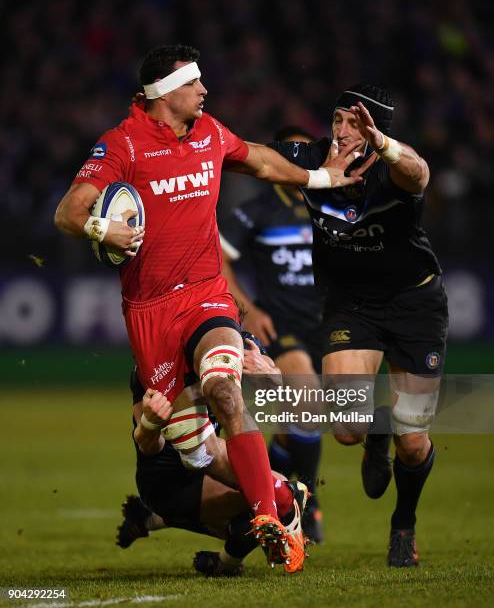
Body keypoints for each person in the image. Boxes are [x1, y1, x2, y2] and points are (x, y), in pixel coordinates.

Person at [53, 44, 365, 570]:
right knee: (197, 450)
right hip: (151, 312)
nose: (204, 91)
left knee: (223, 387)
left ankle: (272, 520)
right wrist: (101, 227)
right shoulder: (122, 144)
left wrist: (322, 177)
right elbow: (68, 211)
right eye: (193, 83)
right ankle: (287, 497)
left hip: (206, 295)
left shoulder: (211, 133)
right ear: (163, 93)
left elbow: (262, 159)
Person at [269, 84, 448, 567]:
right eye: (339, 118)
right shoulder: (309, 157)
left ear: (375, 133)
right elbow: (255, 157)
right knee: (346, 429)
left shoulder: (393, 173)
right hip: (352, 306)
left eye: (356, 122)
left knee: (414, 443)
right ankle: (375, 432)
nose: (341, 129)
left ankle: (403, 523)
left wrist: (387, 147)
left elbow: (420, 172)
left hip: (415, 305)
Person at [117, 334, 308, 576]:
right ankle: (220, 561)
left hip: (209, 467)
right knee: (277, 495)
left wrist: (274, 378)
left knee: (251, 517)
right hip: (170, 482)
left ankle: (153, 522)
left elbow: (282, 398)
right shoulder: (159, 366)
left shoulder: (238, 343)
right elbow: (148, 446)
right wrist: (149, 423)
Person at [219, 126, 325, 543]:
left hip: (330, 327)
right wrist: (250, 309)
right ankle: (310, 503)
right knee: (310, 404)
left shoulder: (330, 207)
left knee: (294, 428)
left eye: (307, 152)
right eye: (292, 152)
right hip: (283, 328)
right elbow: (218, 258)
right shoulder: (258, 210)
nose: (301, 159)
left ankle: (279, 485)